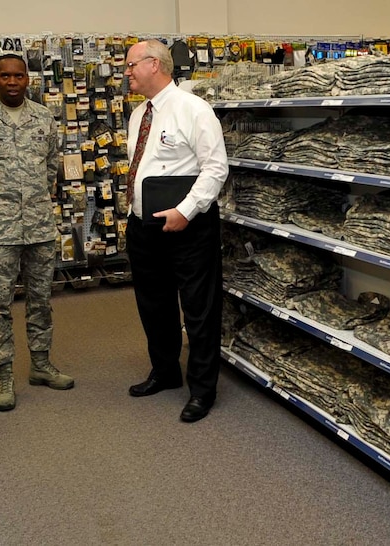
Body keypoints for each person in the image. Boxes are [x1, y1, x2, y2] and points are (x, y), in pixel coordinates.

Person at [0, 53, 74, 412]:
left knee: (41, 301)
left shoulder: (44, 118)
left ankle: (40, 364)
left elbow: (52, 164)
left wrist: (34, 200)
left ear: (27, 79)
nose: (11, 82)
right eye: (4, 76)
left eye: (18, 76)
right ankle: (4, 375)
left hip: (39, 226)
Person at [124, 39, 229, 422]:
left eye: (132, 64)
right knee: (154, 305)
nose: (126, 71)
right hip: (144, 226)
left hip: (188, 227)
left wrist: (185, 210)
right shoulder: (139, 115)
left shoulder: (194, 109)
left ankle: (202, 389)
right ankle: (165, 372)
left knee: (199, 310)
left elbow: (215, 168)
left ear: (155, 64)